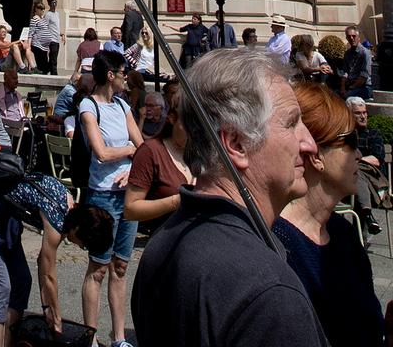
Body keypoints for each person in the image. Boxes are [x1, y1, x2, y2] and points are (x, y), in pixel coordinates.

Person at [132, 48, 328, 347]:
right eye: (291, 124)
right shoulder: (268, 291)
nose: (310, 144)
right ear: (235, 143)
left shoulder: (162, 244)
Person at [0, 172, 115, 347]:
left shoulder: (70, 206)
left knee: (22, 281)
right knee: (0, 287)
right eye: (84, 244)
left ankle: (7, 342)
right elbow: (49, 273)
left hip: (5, 214)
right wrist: (55, 314)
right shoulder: (57, 217)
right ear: (79, 228)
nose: (80, 247)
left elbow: (43, 263)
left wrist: (47, 307)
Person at [274, 83, 384, 347]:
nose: (358, 154)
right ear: (315, 155)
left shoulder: (342, 232)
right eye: (351, 141)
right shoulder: (278, 245)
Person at [78, 50, 142, 347]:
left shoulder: (122, 105)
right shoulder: (89, 107)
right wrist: (128, 150)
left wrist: (132, 170)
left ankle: (118, 338)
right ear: (111, 75)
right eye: (123, 71)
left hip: (127, 194)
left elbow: (142, 147)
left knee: (120, 266)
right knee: (98, 267)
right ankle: (90, 339)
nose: (127, 77)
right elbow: (101, 153)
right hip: (102, 195)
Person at [124, 80, 193, 230]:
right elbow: (131, 209)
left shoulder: (204, 154)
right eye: (188, 124)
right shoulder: (151, 151)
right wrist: (176, 201)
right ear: (172, 118)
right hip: (165, 242)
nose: (194, 131)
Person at [346, 96, 387, 235]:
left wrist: (356, 161)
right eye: (358, 113)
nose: (363, 116)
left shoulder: (373, 134)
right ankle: (367, 219)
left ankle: (358, 237)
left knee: (357, 172)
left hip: (374, 182)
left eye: (364, 113)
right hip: (347, 182)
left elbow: (377, 159)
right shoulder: (344, 135)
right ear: (349, 115)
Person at [340, 25, 374, 100]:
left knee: (346, 97)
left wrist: (351, 88)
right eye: (349, 36)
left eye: (354, 36)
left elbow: (364, 76)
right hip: (350, 85)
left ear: (358, 38)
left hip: (364, 87)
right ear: (346, 38)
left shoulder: (365, 53)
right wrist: (343, 88)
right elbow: (345, 73)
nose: (351, 38)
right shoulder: (347, 54)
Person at [27, 1, 58, 74]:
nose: (43, 10)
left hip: (44, 47)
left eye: (43, 9)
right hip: (38, 45)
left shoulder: (43, 19)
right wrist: (29, 45)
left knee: (46, 66)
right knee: (43, 67)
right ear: (36, 9)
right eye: (41, 9)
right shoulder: (34, 19)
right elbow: (31, 33)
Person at [42, 0, 63, 72]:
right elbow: (45, 27)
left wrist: (61, 34)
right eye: (53, 3)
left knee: (53, 58)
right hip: (51, 39)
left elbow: (56, 26)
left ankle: (46, 70)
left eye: (55, 2)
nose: (54, 4)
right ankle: (54, 73)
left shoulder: (57, 14)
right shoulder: (48, 15)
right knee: (53, 58)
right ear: (49, 4)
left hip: (57, 39)